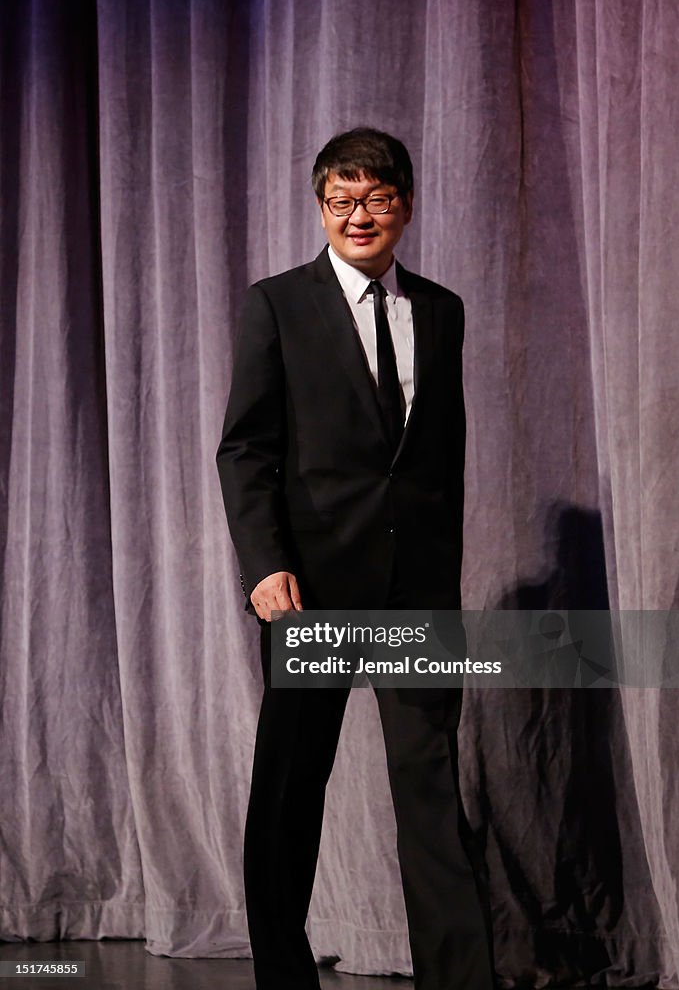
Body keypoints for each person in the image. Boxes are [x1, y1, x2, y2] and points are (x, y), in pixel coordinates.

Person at [216, 128, 495, 990]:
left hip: (414, 592)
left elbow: (430, 458)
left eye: (375, 198)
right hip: (312, 593)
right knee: (292, 790)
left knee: (429, 789)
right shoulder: (277, 304)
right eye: (341, 200)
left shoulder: (441, 311)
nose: (358, 215)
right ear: (320, 207)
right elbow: (245, 449)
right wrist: (265, 566)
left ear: (405, 204)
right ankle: (282, 977)